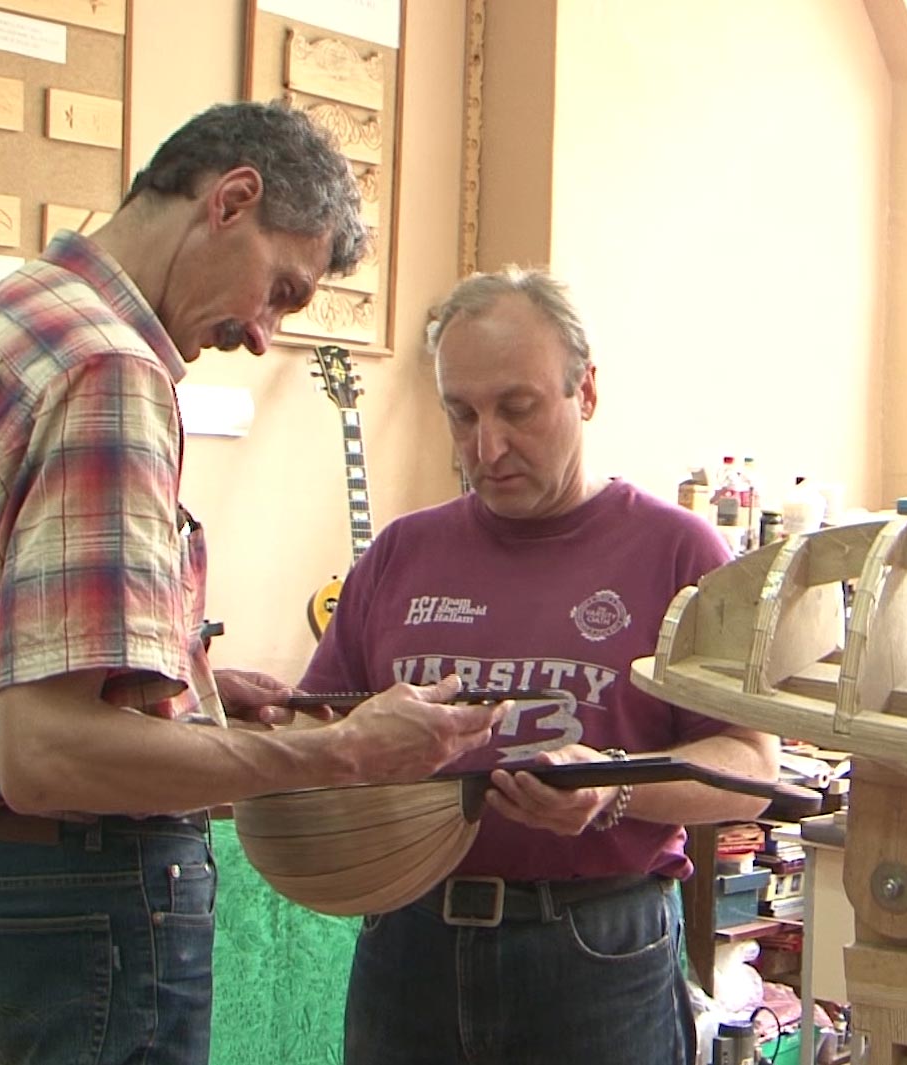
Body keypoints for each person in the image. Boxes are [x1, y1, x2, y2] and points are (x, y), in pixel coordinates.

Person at [0, 102, 503, 1065]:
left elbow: (13, 666)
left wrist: (196, 688)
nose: (262, 334)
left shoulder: (0, 323)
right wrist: (342, 754)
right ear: (232, 199)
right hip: (90, 897)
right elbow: (50, 753)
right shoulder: (109, 371)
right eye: (281, 289)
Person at [300, 268, 781, 1065]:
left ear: (585, 392)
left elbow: (750, 766)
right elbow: (314, 728)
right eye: (462, 413)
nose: (486, 447)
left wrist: (614, 784)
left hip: (597, 952)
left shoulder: (681, 553)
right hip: (409, 945)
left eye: (517, 409)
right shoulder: (399, 553)